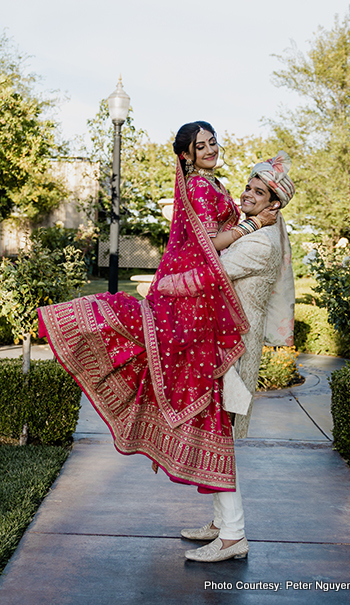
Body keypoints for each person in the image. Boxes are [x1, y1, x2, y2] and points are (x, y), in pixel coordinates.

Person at [37, 121, 277, 497]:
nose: (211, 149)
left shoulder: (213, 184)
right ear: (187, 155)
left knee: (193, 384)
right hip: (191, 302)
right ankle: (71, 323)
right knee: (178, 369)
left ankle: (226, 525)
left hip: (202, 302)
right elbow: (211, 243)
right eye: (201, 146)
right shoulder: (199, 186)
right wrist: (252, 224)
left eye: (213, 142)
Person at [180, 152, 295, 562]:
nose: (246, 194)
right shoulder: (252, 233)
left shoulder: (259, 243)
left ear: (273, 205)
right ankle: (220, 525)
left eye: (258, 192)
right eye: (247, 187)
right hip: (224, 348)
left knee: (220, 438)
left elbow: (208, 265)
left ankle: (233, 536)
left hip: (235, 354)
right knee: (218, 433)